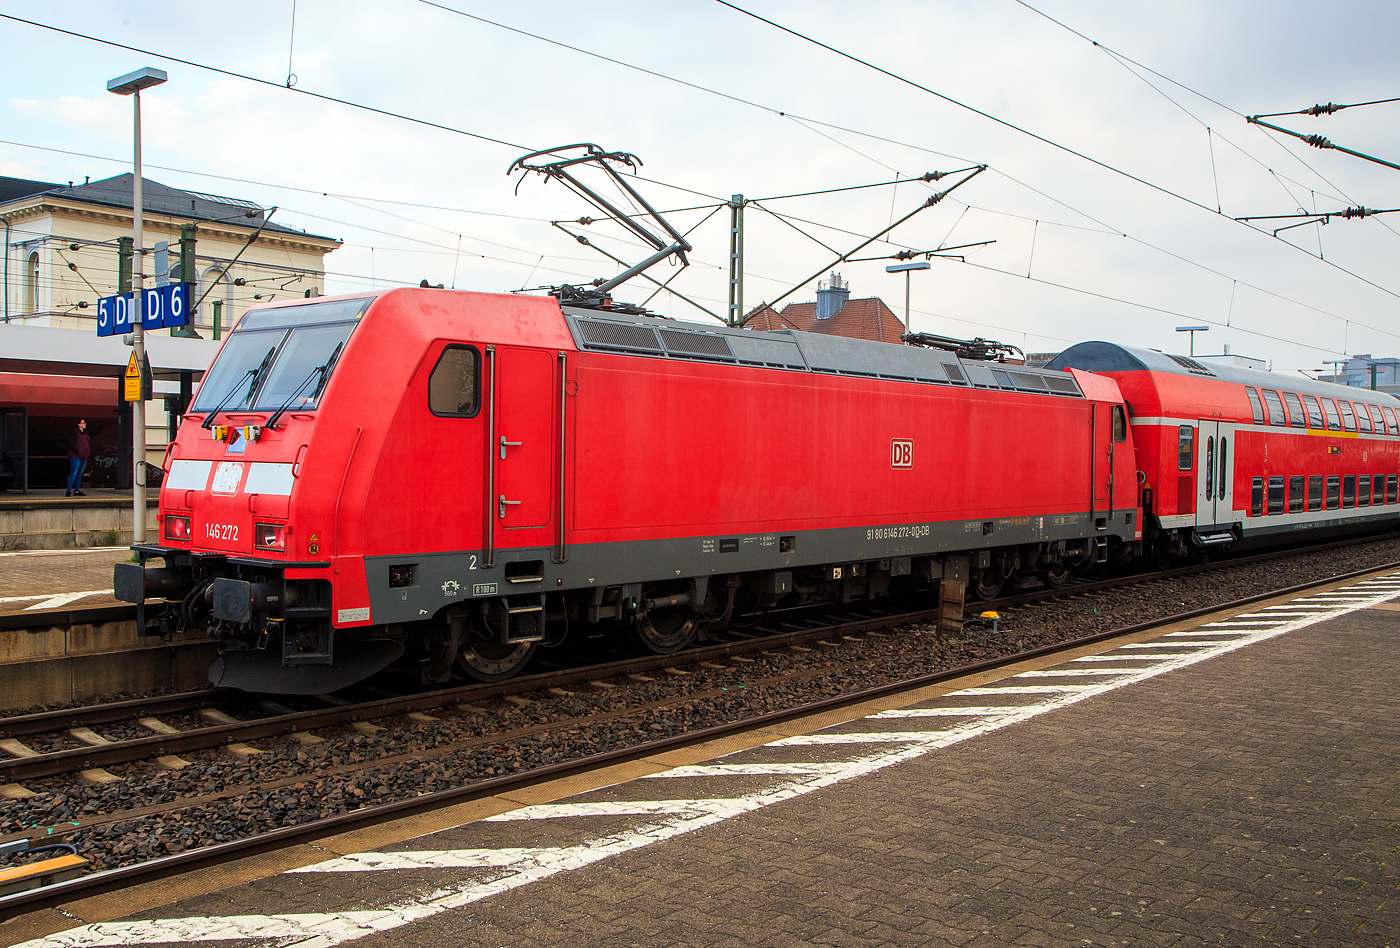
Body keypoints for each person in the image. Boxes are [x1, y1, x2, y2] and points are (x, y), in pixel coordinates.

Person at [66, 418, 90, 496]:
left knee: (79, 473)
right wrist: (78, 451)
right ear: (78, 424)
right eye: (83, 423)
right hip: (76, 456)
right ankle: (68, 491)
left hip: (84, 456)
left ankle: (77, 490)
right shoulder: (75, 433)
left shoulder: (85, 434)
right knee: (74, 473)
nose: (85, 424)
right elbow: (71, 444)